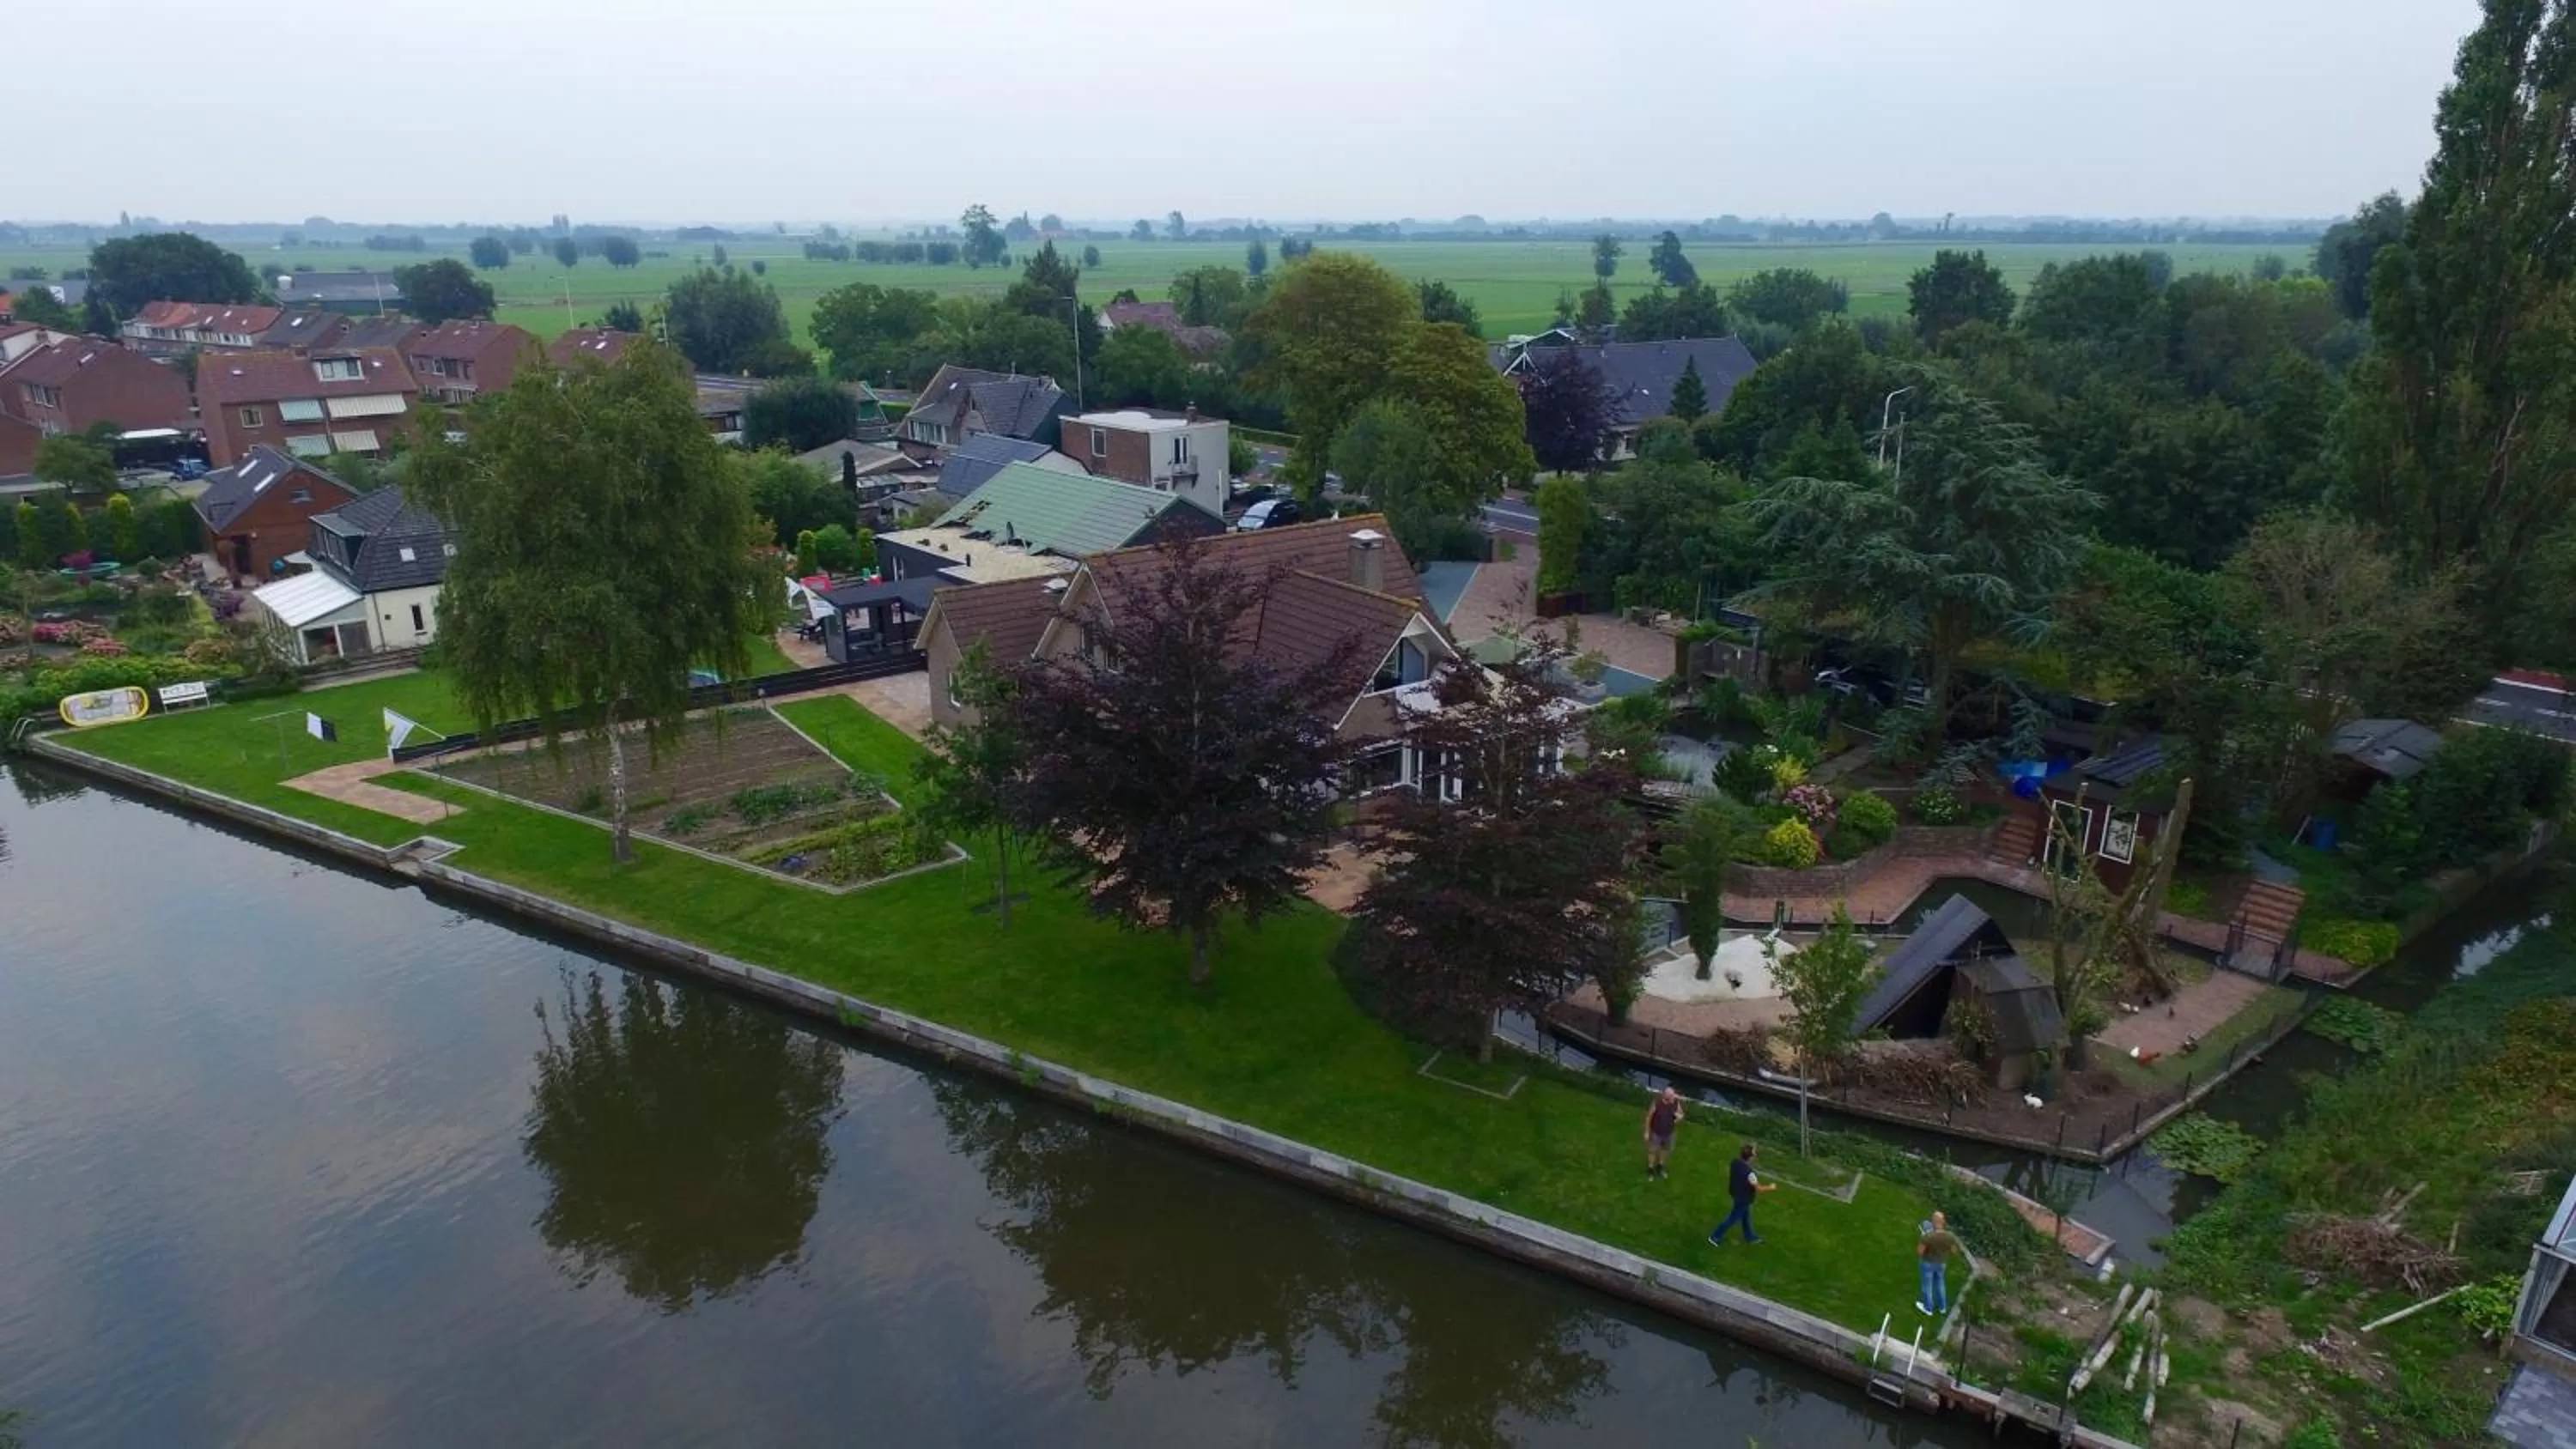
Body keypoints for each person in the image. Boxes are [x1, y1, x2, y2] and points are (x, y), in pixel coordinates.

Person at [1707, 1142, 1776, 1246]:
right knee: (1732, 1218)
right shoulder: (1750, 1174)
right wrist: (1771, 1187)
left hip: (1736, 1193)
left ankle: (1750, 1237)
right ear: (1751, 1158)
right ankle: (1715, 1236)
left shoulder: (1735, 1162)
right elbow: (1759, 1188)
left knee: (1746, 1216)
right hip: (1743, 1198)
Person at [1917, 1210, 1963, 1314]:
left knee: (1927, 1285)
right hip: (1942, 1263)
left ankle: (1928, 1308)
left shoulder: (1928, 1237)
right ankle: (1943, 1307)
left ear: (1933, 1221)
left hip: (1928, 1263)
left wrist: (1923, 1239)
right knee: (1940, 1284)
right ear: (1943, 1222)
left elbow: (1920, 1252)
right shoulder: (1950, 1236)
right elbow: (1954, 1252)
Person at [1643, 1087, 1685, 1179]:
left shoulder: (1675, 1103)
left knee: (1665, 1150)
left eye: (1673, 1096)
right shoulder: (1657, 1103)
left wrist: (1678, 1119)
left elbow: (1681, 1114)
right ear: (1665, 1095)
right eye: (1670, 1096)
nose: (1672, 1098)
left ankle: (1660, 1166)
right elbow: (1649, 1117)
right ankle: (1650, 1169)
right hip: (1656, 1133)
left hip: (1669, 1133)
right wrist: (1646, 1132)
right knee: (1652, 1151)